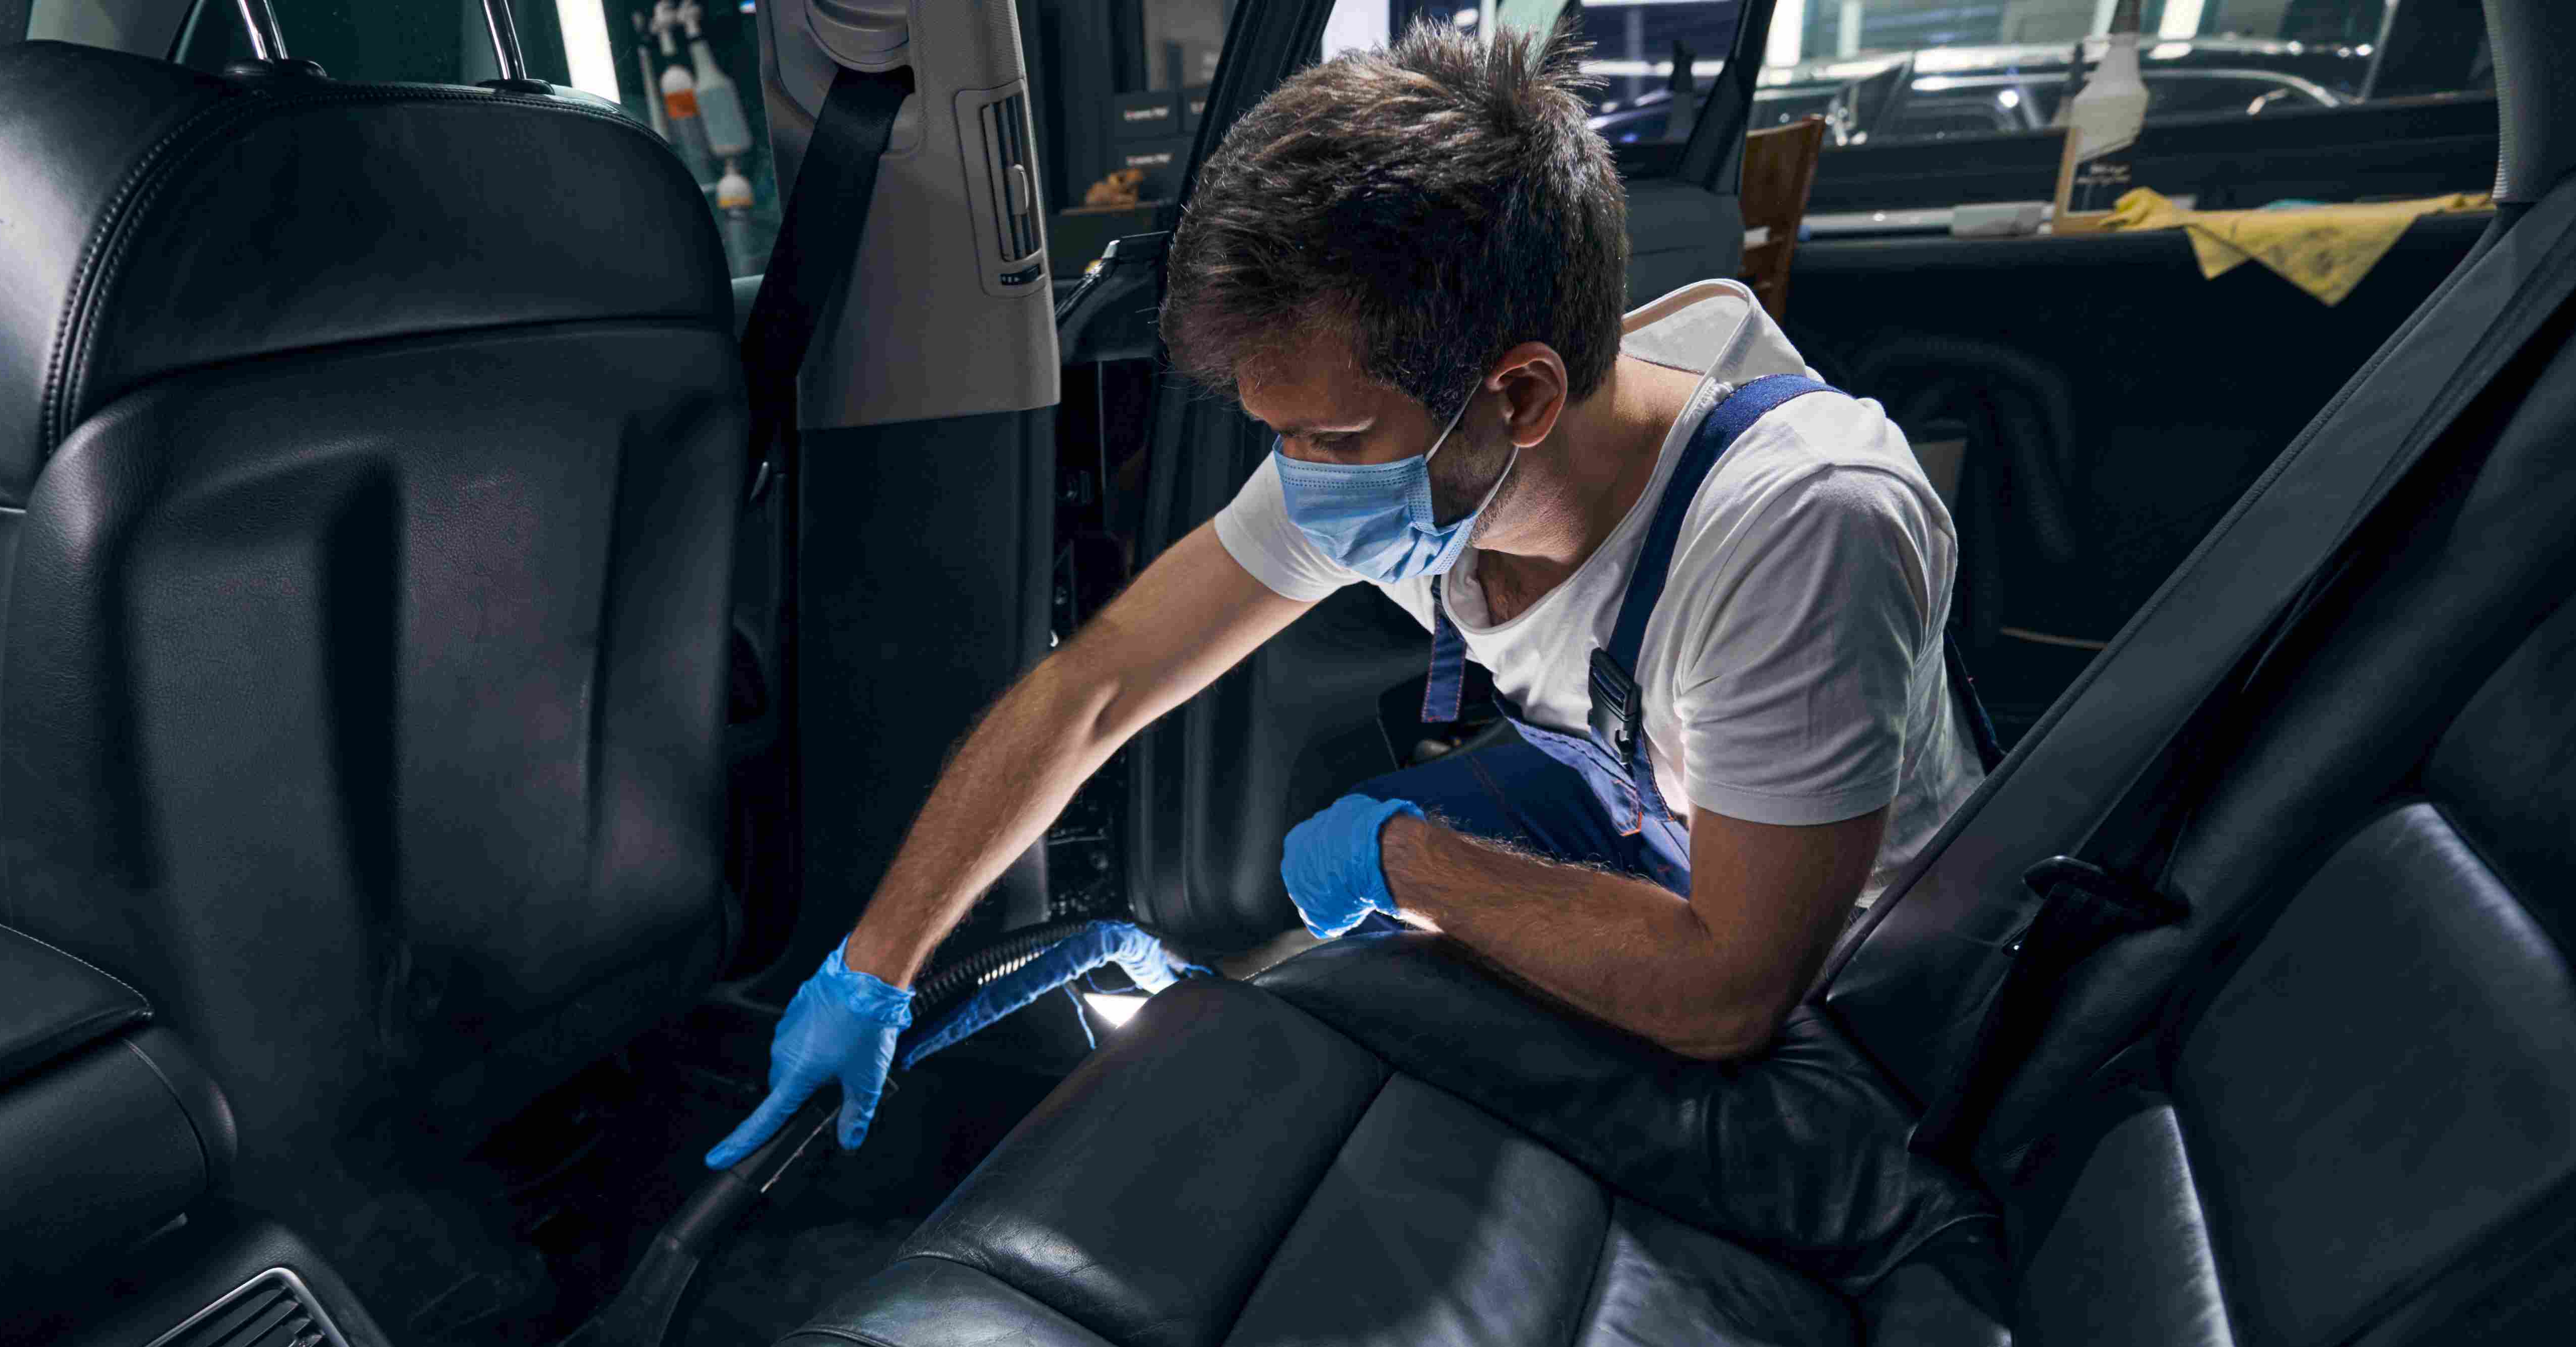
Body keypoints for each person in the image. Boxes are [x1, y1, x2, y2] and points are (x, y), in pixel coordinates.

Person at [708, 24, 1977, 1170]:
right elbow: (1096, 688)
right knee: (1333, 925)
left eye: (1328, 439)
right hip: (1637, 786)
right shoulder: (1413, 446)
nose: (1299, 481)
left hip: (1842, 964)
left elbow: (1732, 987)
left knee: (1369, 977)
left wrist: (1409, 861)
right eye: (1281, 436)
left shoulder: (1799, 527)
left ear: (1524, 395)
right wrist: (873, 966)